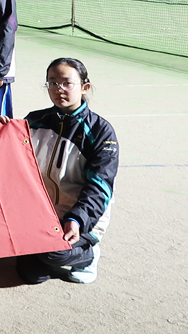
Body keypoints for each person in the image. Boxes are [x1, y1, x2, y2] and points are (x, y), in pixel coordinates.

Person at [16, 57, 118, 285]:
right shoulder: (34, 120)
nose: (58, 89)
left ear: (84, 87)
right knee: (32, 274)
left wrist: (78, 219)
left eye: (66, 83)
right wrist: (5, 131)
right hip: (42, 215)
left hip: (80, 218)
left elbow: (99, 187)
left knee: (54, 254)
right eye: (52, 82)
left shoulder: (101, 132)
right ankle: (43, 251)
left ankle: (87, 255)